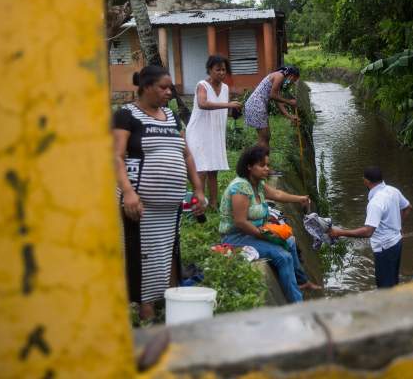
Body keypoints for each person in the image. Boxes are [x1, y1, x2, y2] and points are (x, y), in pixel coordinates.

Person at [112, 65, 206, 322]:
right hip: (140, 203)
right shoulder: (126, 115)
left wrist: (198, 189)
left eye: (170, 87)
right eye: (163, 87)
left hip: (170, 206)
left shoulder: (171, 116)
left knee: (165, 251)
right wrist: (129, 193)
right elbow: (117, 156)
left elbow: (186, 154)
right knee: (140, 252)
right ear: (145, 87)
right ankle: (145, 309)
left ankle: (164, 301)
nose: (169, 92)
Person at [219, 145, 317, 303]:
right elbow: (240, 222)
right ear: (249, 166)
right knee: (283, 257)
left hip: (254, 232)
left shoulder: (258, 183)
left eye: (267, 165)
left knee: (290, 242)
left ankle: (302, 282)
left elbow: (277, 194)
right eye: (262, 165)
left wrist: (300, 199)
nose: (267, 169)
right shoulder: (240, 188)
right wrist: (265, 236)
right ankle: (297, 305)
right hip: (236, 237)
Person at [329, 167, 412, 289]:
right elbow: (408, 207)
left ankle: (388, 306)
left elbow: (368, 232)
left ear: (366, 181)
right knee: (393, 281)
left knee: (384, 287)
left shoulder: (375, 202)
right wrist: (399, 225)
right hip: (397, 242)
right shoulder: (393, 190)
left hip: (385, 248)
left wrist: (339, 232)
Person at [185, 55, 241, 208]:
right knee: (201, 170)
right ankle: (199, 205)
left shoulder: (225, 88)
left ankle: (214, 204)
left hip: (214, 132)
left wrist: (234, 110)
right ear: (210, 70)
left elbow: (223, 109)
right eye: (218, 70)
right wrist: (229, 104)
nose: (221, 73)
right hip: (199, 131)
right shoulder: (202, 85)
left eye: (223, 70)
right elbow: (203, 104)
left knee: (213, 171)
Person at [243, 66, 300, 147]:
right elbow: (273, 95)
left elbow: (277, 100)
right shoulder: (279, 76)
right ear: (291, 76)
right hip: (256, 105)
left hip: (258, 105)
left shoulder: (280, 78)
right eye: (294, 80)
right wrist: (289, 102)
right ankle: (260, 157)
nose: (292, 82)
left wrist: (289, 116)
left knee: (266, 136)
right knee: (264, 137)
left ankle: (263, 156)